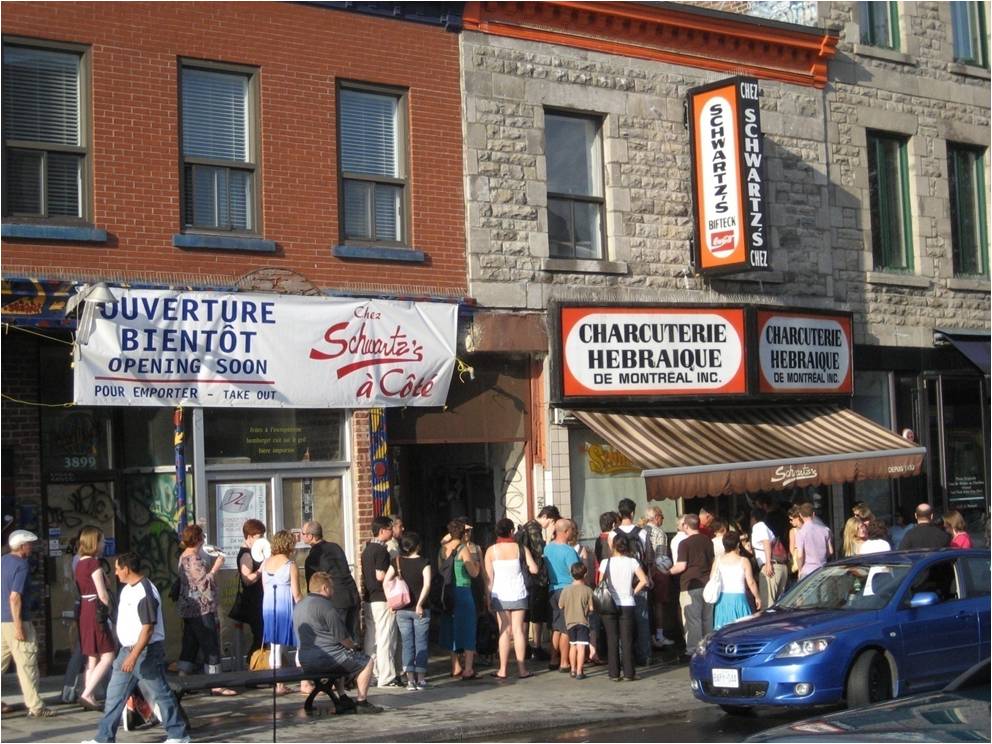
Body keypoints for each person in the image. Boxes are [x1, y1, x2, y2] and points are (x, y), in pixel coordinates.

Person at [84, 552, 189, 743]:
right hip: (127, 650)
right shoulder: (127, 590)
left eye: (117, 568)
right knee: (114, 695)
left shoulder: (145, 591)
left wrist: (133, 656)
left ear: (126, 568)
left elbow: (148, 629)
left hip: (145, 652)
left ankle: (178, 735)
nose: (115, 573)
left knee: (160, 693)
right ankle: (103, 738)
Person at [293, 572, 382, 714]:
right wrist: (354, 646)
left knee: (339, 657)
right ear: (324, 588)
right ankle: (362, 701)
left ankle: (342, 696)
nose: (333, 591)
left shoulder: (299, 605)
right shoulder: (326, 606)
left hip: (305, 660)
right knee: (367, 661)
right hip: (326, 659)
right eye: (331, 588)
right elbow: (342, 637)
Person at [176, 524, 236, 696]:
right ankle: (216, 684)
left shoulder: (183, 556)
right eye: (202, 536)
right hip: (201, 608)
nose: (203, 540)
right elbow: (204, 584)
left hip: (189, 608)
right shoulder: (194, 559)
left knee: (191, 643)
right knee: (210, 644)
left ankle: (183, 678)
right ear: (198, 539)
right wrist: (216, 567)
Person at [1, 530, 52, 718]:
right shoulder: (21, 565)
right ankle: (36, 706)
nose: (31, 547)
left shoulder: (3, 560)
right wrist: (18, 626)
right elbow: (15, 597)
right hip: (17, 620)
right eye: (29, 544)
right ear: (22, 546)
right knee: (27, 664)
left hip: (1, 621)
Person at [484, 517, 537, 680]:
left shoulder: (491, 551)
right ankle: (522, 670)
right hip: (518, 593)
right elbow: (534, 569)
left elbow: (488, 579)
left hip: (500, 595)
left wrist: (487, 598)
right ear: (512, 531)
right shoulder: (521, 548)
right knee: (518, 630)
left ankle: (503, 670)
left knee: (504, 631)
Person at [74, 526, 116, 710]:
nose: (104, 543)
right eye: (101, 540)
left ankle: (89, 694)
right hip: (96, 611)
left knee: (91, 656)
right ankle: (86, 693)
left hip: (84, 610)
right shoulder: (93, 564)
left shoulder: (80, 563)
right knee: (108, 655)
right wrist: (111, 613)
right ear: (94, 542)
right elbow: (103, 593)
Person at [383, 532, 432, 690]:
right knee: (421, 643)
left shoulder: (397, 562)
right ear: (418, 546)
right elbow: (427, 585)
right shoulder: (424, 562)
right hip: (420, 609)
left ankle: (410, 680)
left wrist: (391, 602)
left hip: (402, 609)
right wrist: (420, 603)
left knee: (407, 644)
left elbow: (385, 582)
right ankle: (421, 679)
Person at [610, 498, 654, 666]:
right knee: (642, 619)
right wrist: (649, 576)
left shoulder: (613, 534)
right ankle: (645, 655)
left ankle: (624, 656)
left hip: (619, 583)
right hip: (639, 580)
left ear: (620, 513)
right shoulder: (641, 532)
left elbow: (612, 556)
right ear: (633, 513)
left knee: (622, 621)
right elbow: (648, 557)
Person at [599, 534, 648, 681]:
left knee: (611, 638)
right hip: (627, 602)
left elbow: (601, 582)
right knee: (627, 640)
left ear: (613, 546)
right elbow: (644, 580)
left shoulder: (605, 563)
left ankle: (613, 673)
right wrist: (633, 591)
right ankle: (629, 673)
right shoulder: (632, 562)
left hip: (609, 603)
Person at [302, 521, 359, 643]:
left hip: (336, 598)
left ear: (310, 536)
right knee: (354, 637)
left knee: (339, 639)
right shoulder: (335, 547)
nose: (301, 536)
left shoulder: (313, 557)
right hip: (352, 593)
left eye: (303, 533)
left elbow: (312, 587)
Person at [670, 514, 714, 663]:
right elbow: (712, 561)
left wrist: (668, 571)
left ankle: (693, 651)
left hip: (690, 584)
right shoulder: (708, 540)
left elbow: (681, 566)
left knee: (693, 620)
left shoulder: (684, 543)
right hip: (707, 583)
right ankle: (708, 647)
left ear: (686, 526)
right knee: (707, 618)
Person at [517, 505, 558, 660]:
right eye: (551, 521)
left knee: (526, 613)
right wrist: (549, 537)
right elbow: (541, 551)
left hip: (525, 577)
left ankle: (526, 647)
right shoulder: (535, 528)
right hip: (536, 577)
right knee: (538, 614)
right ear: (546, 517)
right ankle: (537, 646)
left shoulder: (526, 526)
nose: (551, 524)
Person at [263, 529, 301, 694]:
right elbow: (297, 593)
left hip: (268, 605)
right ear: (288, 545)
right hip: (284, 605)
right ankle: (303, 680)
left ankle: (277, 683)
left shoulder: (265, 563)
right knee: (300, 641)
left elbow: (264, 588)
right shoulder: (290, 565)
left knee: (274, 645)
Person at [544, 518, 580, 673]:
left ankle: (553, 658)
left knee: (556, 627)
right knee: (566, 628)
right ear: (566, 531)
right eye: (571, 529)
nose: (572, 532)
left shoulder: (547, 549)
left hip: (552, 589)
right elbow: (576, 573)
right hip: (567, 590)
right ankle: (564, 661)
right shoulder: (569, 551)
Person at [712, 532, 761, 630]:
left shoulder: (717, 560)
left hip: (722, 600)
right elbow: (750, 582)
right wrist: (757, 597)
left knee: (723, 631)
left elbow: (712, 578)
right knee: (742, 630)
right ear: (738, 545)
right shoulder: (744, 561)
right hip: (739, 599)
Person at [642, 507, 675, 648]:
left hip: (642, 571)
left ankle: (648, 636)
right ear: (656, 517)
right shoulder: (659, 533)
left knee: (646, 605)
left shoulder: (641, 531)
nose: (662, 519)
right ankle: (660, 635)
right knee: (659, 604)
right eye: (661, 516)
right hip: (656, 571)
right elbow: (661, 557)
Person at [235, 519, 266, 665]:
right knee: (260, 636)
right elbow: (247, 579)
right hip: (253, 601)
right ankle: (253, 666)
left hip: (258, 599)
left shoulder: (254, 552)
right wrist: (260, 570)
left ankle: (257, 666)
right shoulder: (246, 554)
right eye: (259, 537)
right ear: (249, 536)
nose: (262, 540)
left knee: (262, 636)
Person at [558, 562, 593, 680]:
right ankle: (579, 671)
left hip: (570, 622)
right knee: (581, 647)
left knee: (572, 645)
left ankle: (572, 669)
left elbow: (560, 605)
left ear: (571, 574)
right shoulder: (587, 590)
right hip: (582, 621)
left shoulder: (566, 590)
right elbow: (592, 608)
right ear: (585, 574)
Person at [750, 508, 788, 608]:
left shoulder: (758, 526)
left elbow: (766, 543)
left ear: (753, 518)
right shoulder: (766, 527)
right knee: (779, 605)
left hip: (771, 567)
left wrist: (768, 563)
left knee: (768, 604)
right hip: (779, 566)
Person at [795, 503, 833, 579]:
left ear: (800, 515)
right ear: (813, 514)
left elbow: (800, 555)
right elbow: (831, 551)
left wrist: (800, 569)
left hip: (808, 570)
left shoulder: (801, 533)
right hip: (823, 569)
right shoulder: (825, 530)